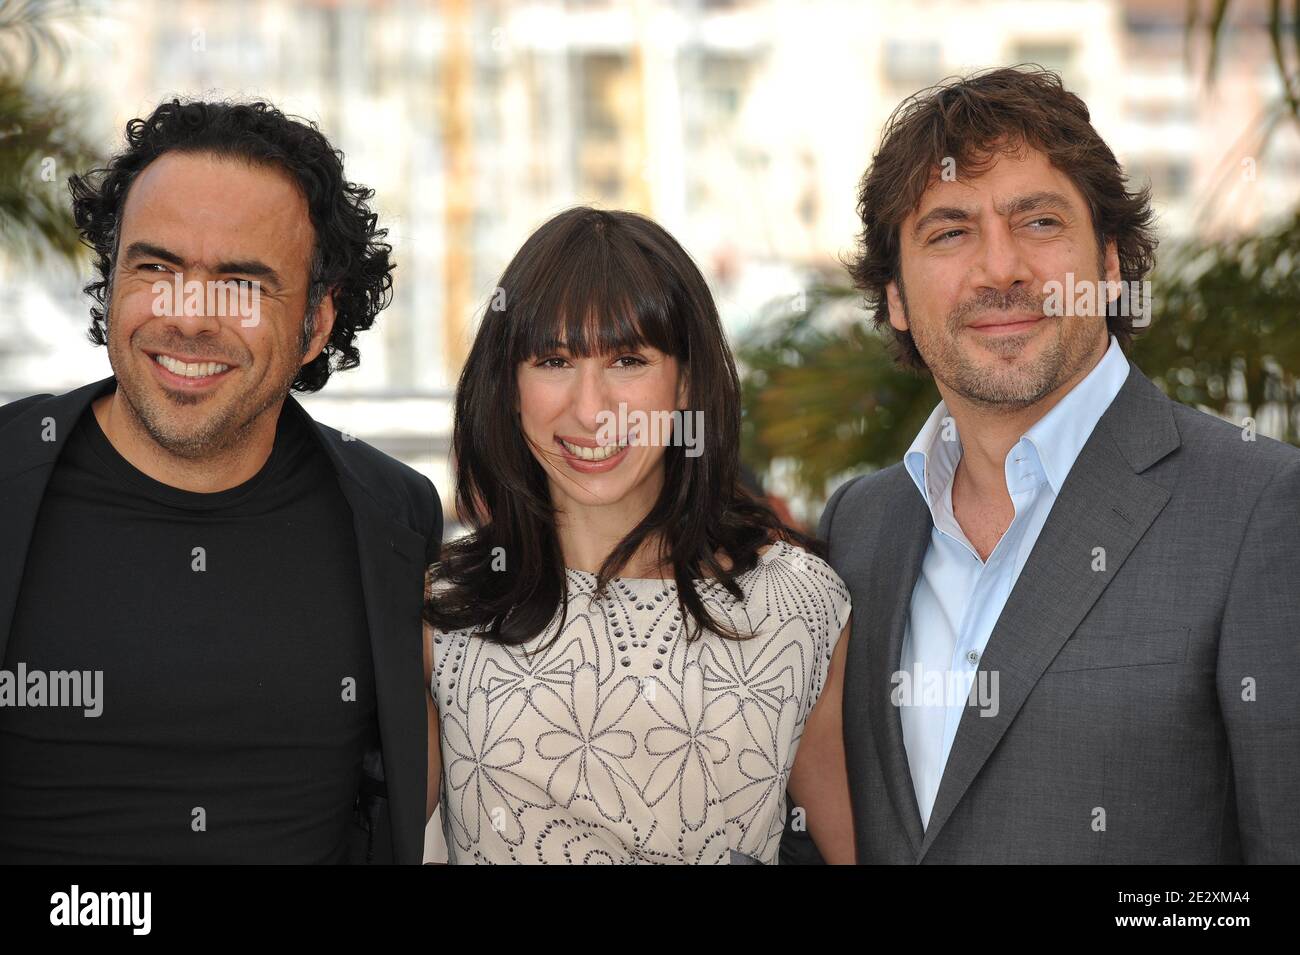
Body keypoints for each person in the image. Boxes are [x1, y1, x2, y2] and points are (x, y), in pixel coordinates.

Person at [782, 66, 1300, 864]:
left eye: (1040, 222)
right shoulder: (860, 525)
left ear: (1112, 264)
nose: (1001, 270)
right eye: (950, 232)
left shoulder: (1261, 508)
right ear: (894, 297)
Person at [0, 100, 441, 863]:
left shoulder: (393, 517)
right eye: (156, 267)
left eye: (241, 284)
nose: (190, 317)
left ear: (316, 321)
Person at [423, 207, 854, 864]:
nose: (591, 410)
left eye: (627, 359)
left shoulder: (799, 603)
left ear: (685, 382)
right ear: (510, 387)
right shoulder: (443, 613)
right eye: (554, 359)